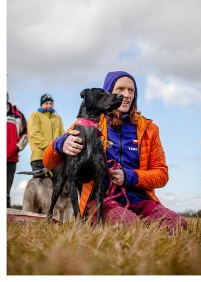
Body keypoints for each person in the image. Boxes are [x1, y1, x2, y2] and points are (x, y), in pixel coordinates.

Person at [43, 71, 187, 231]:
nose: (126, 95)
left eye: (131, 90)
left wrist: (129, 176)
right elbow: (49, 162)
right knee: (130, 226)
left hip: (140, 200)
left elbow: (162, 175)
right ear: (108, 93)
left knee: (179, 226)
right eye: (120, 89)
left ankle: (142, 221)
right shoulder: (89, 123)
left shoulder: (149, 129)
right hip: (103, 200)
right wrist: (60, 143)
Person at [27, 93, 65, 177]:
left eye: (51, 103)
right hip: (39, 157)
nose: (49, 105)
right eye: (46, 103)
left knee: (56, 186)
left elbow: (62, 135)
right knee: (40, 185)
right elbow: (34, 134)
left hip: (55, 158)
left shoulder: (58, 119)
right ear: (41, 104)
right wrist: (50, 147)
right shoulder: (35, 115)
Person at [6, 93, 28, 207]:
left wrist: (17, 147)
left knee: (6, 190)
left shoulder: (18, 115)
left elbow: (26, 133)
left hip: (11, 158)